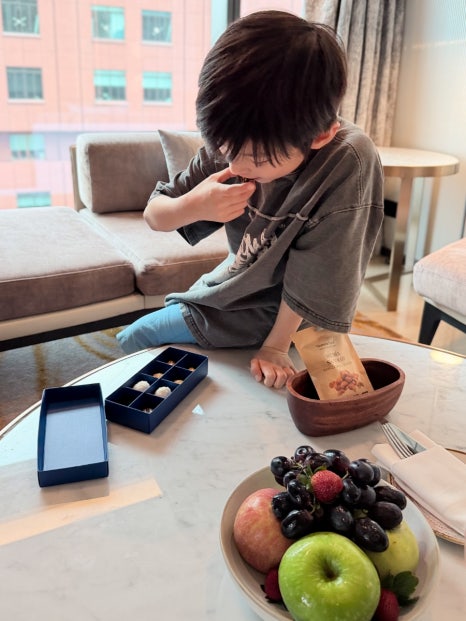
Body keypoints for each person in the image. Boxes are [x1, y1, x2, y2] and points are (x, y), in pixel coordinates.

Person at [117, 10, 384, 389]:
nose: (236, 166)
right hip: (239, 286)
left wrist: (275, 346)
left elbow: (316, 274)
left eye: (257, 160)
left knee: (138, 336)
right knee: (140, 340)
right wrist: (195, 205)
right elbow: (155, 215)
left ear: (321, 135)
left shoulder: (347, 160)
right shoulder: (237, 132)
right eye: (225, 149)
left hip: (293, 309)